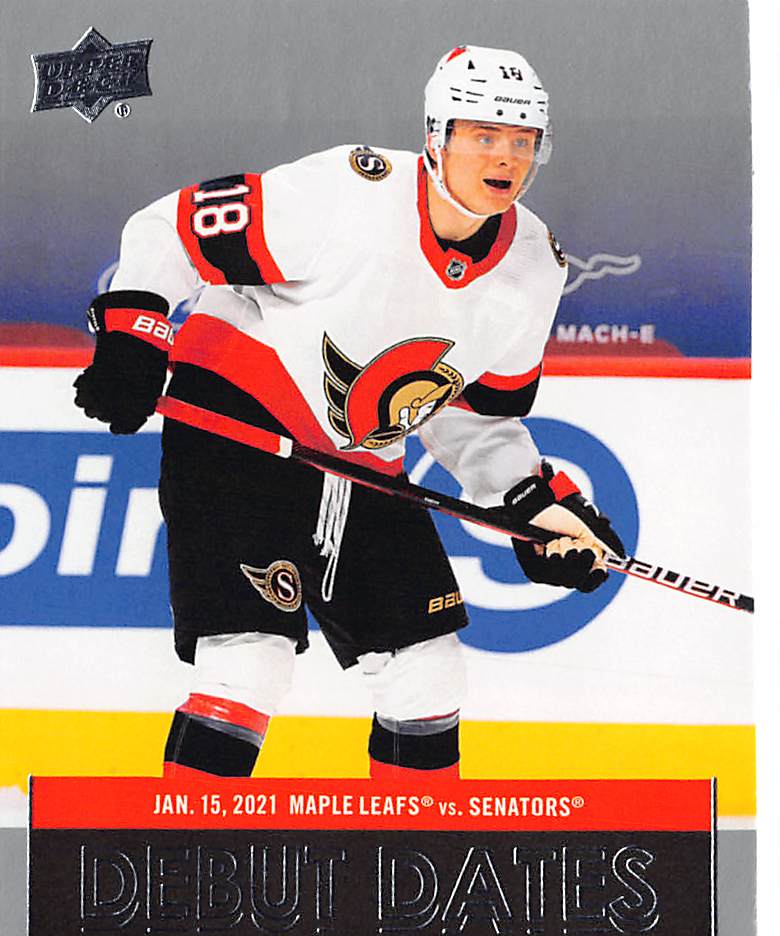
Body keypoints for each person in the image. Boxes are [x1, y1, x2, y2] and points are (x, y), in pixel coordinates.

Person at [73, 45, 624, 782]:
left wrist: (533, 504)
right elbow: (168, 228)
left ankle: (416, 853)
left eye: (522, 141)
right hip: (239, 429)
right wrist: (133, 335)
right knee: (250, 662)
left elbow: (470, 413)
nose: (506, 157)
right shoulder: (349, 191)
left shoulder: (534, 266)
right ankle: (186, 850)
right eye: (484, 135)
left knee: (429, 677)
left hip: (363, 463)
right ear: (436, 136)